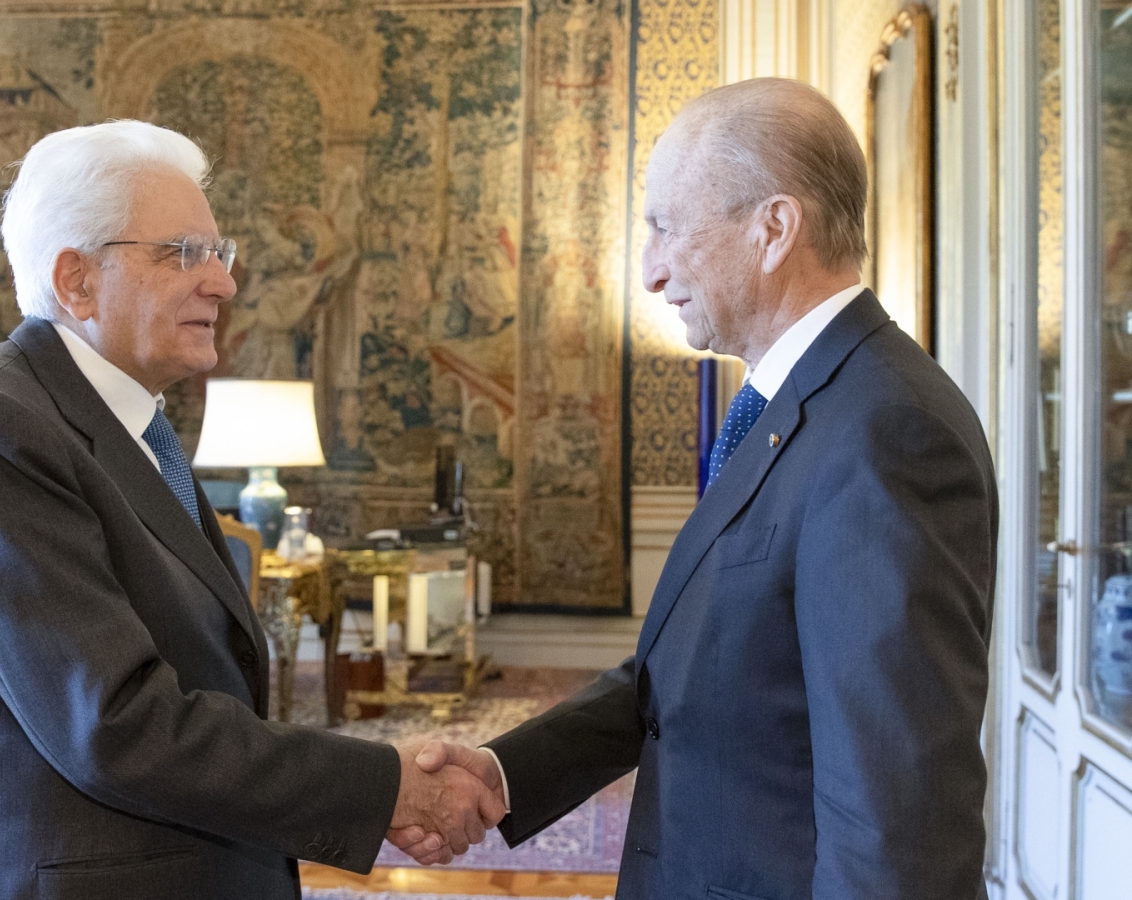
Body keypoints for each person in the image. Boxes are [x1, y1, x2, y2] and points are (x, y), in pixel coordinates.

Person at [396, 77, 998, 900]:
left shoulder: (888, 431)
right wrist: (506, 773)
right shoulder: (789, 405)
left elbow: (901, 819)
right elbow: (689, 674)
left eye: (665, 228)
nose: (650, 271)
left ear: (774, 228)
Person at [0, 120, 499, 900]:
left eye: (220, 253)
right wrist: (384, 786)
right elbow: (114, 725)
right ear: (76, 279)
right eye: (183, 253)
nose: (223, 283)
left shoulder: (132, 422)